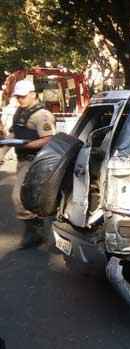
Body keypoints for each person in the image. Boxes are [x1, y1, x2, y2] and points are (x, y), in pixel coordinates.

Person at [10, 80, 56, 249]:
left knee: (18, 196)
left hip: (34, 161)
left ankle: (35, 232)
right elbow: (12, 135)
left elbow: (49, 139)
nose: (20, 99)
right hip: (22, 160)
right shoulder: (20, 112)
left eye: (22, 96)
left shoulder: (42, 115)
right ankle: (36, 231)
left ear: (33, 94)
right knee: (28, 196)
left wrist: (25, 145)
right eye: (18, 96)